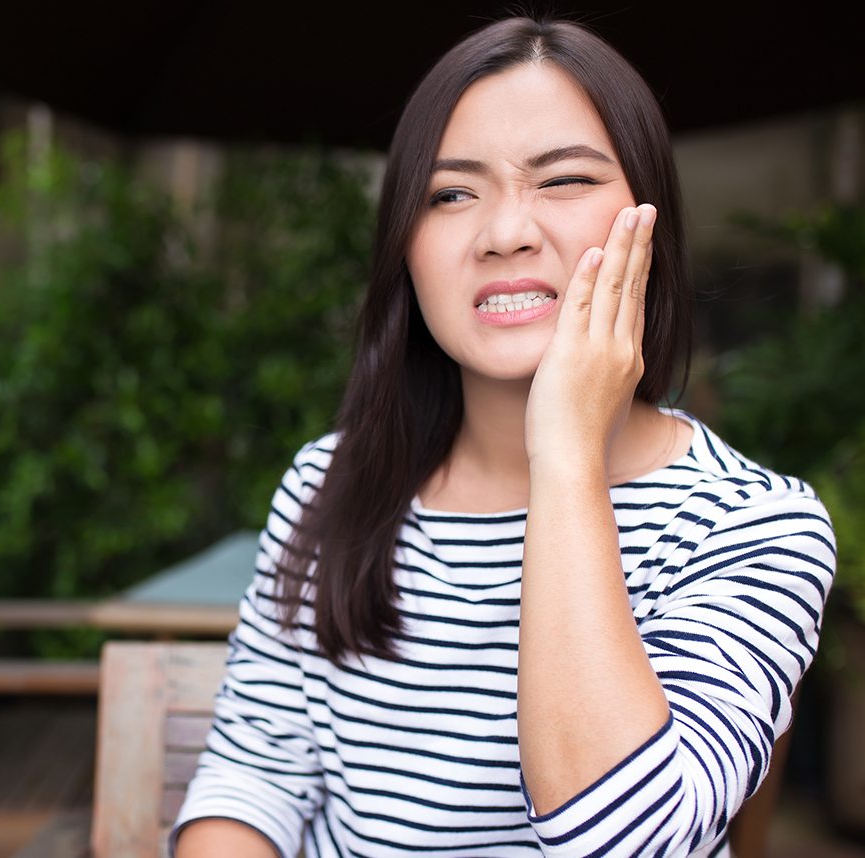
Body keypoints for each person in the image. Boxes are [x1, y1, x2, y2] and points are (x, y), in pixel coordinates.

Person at [171, 16, 836, 858]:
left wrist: (563, 452)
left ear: (649, 223)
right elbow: (252, 781)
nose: (505, 232)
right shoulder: (329, 485)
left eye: (561, 181)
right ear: (404, 251)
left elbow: (622, 840)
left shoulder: (754, 526)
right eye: (451, 194)